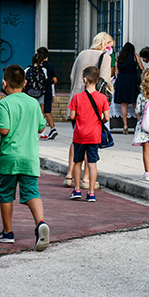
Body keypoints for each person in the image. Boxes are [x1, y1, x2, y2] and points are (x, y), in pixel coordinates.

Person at [0, 65, 49, 251]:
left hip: (10, 157)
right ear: (25, 83)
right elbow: (41, 127)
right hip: (30, 157)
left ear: (4, 83)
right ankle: (40, 223)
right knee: (32, 191)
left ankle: (7, 232)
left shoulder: (4, 103)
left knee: (6, 193)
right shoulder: (33, 103)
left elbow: (4, 129)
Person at [65, 32, 113, 188]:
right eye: (110, 45)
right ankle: (86, 178)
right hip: (94, 104)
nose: (111, 48)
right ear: (105, 44)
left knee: (76, 139)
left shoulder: (82, 54)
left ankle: (70, 174)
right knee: (90, 141)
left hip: (77, 99)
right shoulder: (105, 57)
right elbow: (105, 80)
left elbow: (72, 76)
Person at [68, 66, 110, 202]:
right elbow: (107, 117)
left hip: (79, 135)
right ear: (97, 80)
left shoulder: (77, 97)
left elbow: (72, 116)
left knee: (77, 161)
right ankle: (91, 192)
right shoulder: (102, 98)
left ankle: (77, 189)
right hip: (94, 135)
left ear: (85, 80)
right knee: (92, 163)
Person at [114, 42, 141, 135]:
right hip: (132, 81)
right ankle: (139, 123)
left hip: (121, 81)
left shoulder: (119, 58)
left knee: (124, 104)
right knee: (135, 103)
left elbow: (117, 72)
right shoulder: (135, 56)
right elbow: (141, 68)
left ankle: (125, 125)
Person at [37, 47, 58, 140]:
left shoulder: (38, 67)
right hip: (49, 90)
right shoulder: (50, 66)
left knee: (41, 112)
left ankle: (42, 132)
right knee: (47, 111)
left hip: (40, 91)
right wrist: (49, 83)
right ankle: (53, 128)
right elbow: (55, 80)